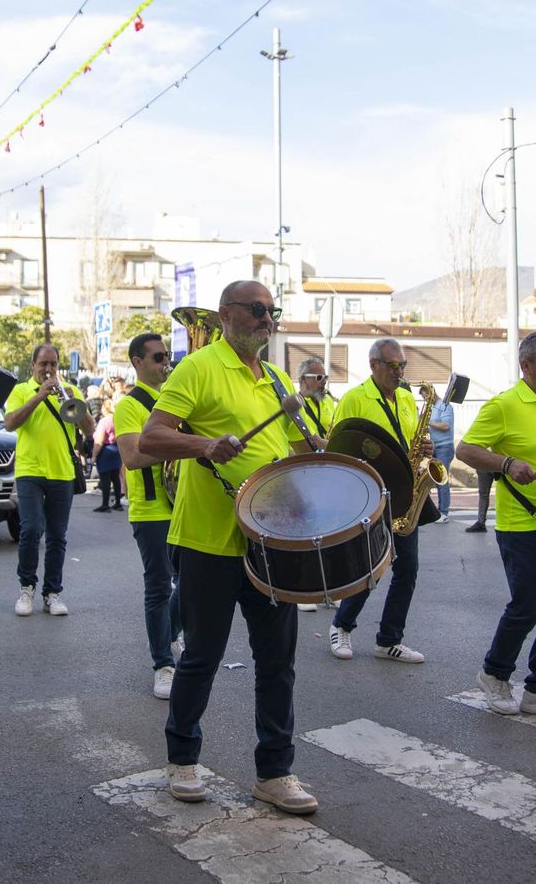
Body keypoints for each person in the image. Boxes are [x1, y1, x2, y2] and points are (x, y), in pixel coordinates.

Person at [139, 280, 319, 815]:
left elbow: (286, 450)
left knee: (277, 660)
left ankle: (275, 771)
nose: (267, 319)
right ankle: (183, 761)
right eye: (257, 310)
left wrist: (314, 462)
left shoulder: (278, 378)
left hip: (269, 541)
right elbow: (151, 438)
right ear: (226, 315)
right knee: (202, 656)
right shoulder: (198, 367)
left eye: (272, 311)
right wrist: (204, 444)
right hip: (208, 540)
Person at [454, 330, 536, 720]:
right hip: (523, 525)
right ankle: (494, 674)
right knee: (527, 608)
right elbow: (466, 449)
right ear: (526, 365)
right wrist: (508, 464)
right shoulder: (505, 405)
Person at [328, 338, 433, 664]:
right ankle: (342, 625)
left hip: (405, 493)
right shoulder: (355, 398)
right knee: (369, 566)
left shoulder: (404, 397)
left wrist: (425, 449)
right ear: (373, 365)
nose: (399, 372)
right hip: (369, 493)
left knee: (408, 569)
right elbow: (337, 446)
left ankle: (389, 640)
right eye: (392, 365)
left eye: (402, 365)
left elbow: (412, 437)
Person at [114, 332, 182, 699]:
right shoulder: (130, 405)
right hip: (152, 508)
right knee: (158, 586)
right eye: (157, 358)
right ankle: (163, 664)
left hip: (184, 505)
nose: (165, 363)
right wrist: (183, 447)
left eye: (166, 356)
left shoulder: (176, 400)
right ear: (138, 362)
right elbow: (132, 457)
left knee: (191, 583)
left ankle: (171, 634)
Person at [4, 344, 92, 617]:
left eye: (53, 364)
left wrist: (79, 407)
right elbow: (10, 423)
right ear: (33, 365)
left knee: (57, 537)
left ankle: (52, 593)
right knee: (30, 530)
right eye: (43, 364)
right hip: (30, 471)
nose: (48, 369)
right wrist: (39, 396)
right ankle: (26, 587)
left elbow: (88, 429)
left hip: (62, 472)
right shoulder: (20, 390)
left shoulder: (71, 391)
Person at [428, 389, 455, 523]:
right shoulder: (432, 408)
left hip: (445, 447)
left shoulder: (445, 406)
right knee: (437, 480)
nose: (425, 399)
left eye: (426, 395)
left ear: (432, 393)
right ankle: (439, 511)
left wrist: (428, 422)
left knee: (442, 479)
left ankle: (444, 512)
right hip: (434, 447)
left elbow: (446, 426)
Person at [295, 356, 338, 441]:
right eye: (319, 377)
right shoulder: (294, 405)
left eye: (325, 377)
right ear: (303, 379)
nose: (324, 381)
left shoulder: (328, 400)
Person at [93, 409, 124, 513]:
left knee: (105, 478)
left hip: (105, 451)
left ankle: (105, 504)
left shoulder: (104, 421)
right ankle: (118, 503)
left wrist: (94, 455)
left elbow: (99, 440)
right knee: (116, 478)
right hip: (116, 448)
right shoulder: (117, 419)